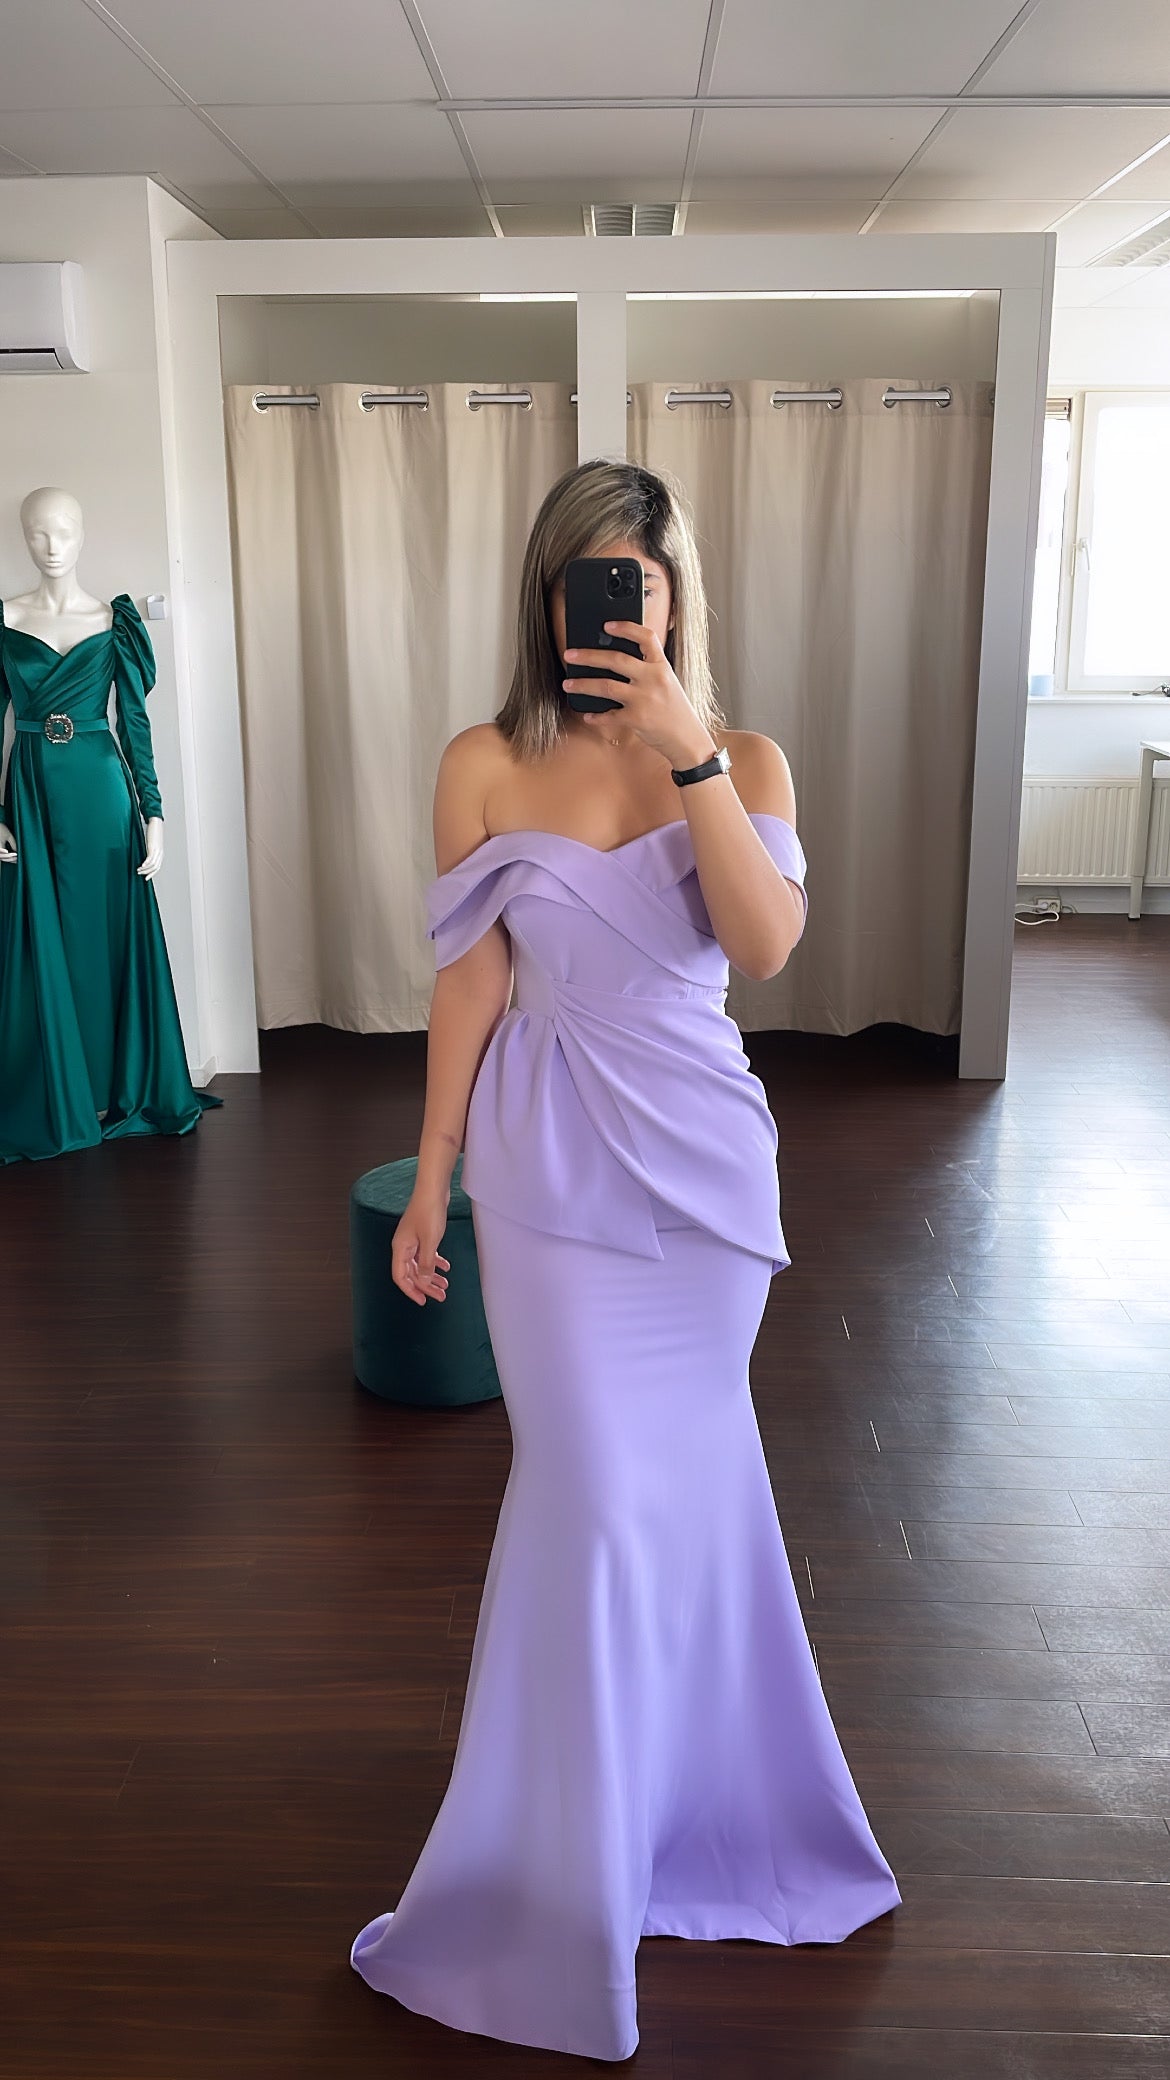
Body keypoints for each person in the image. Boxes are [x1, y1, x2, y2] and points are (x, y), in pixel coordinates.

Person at [350, 460, 901, 2061]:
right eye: (583, 579)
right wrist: (430, 1180)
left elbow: (764, 945)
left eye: (637, 580)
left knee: (687, 1502)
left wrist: (689, 758)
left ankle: (694, 1823)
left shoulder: (742, 755)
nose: (611, 604)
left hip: (700, 1182)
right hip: (544, 1177)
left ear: (672, 595)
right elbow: (470, 982)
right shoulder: (479, 763)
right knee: (588, 1503)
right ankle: (562, 1877)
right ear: (547, 599)